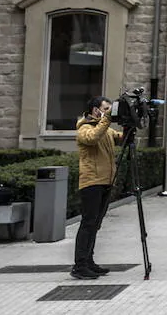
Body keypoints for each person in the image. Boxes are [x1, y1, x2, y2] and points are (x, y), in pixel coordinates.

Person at [73, 96, 122, 279]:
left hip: (105, 181)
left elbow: (119, 137)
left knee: (96, 224)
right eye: (106, 108)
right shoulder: (84, 128)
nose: (109, 111)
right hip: (91, 182)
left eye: (110, 108)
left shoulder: (106, 130)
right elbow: (92, 138)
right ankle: (79, 265)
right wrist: (107, 119)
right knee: (88, 223)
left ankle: (89, 261)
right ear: (95, 110)